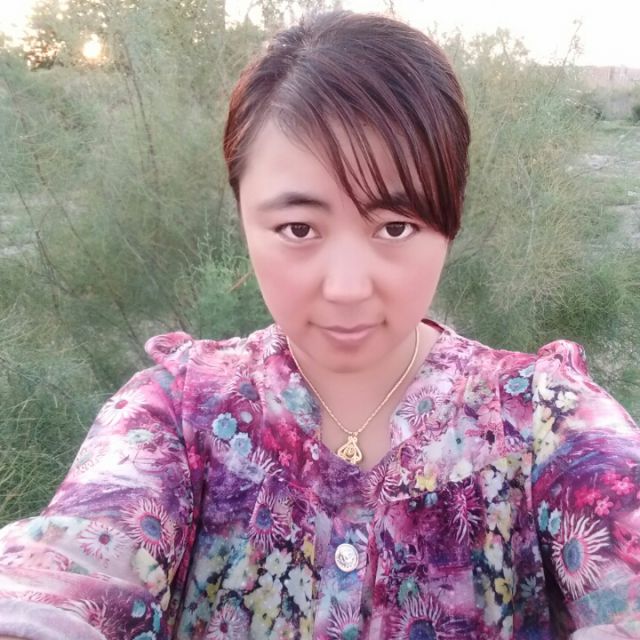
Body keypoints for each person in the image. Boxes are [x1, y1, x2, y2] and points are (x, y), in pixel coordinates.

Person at [0, 9, 639, 640]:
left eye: (396, 227)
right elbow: (62, 575)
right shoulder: (177, 416)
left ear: (449, 217)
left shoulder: (546, 421)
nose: (347, 287)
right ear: (242, 214)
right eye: (299, 228)